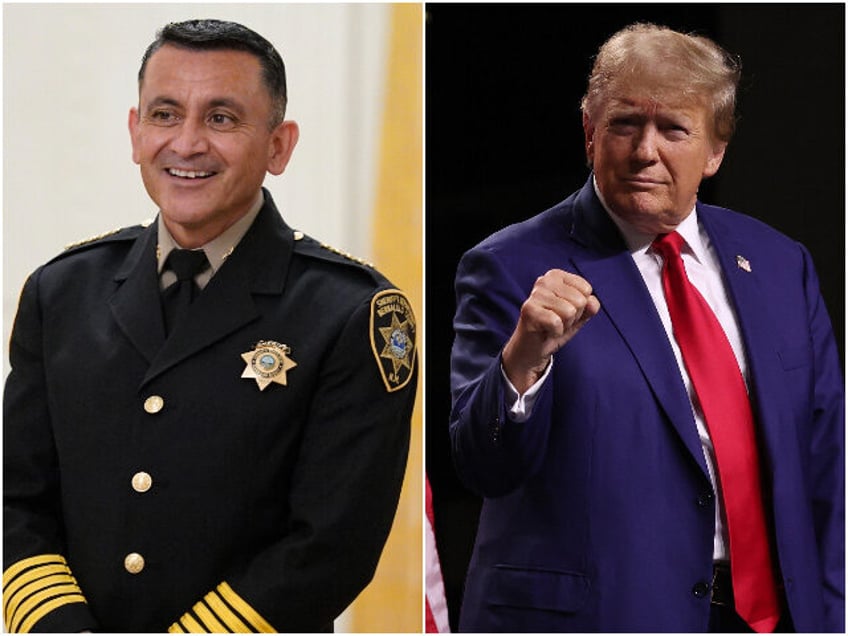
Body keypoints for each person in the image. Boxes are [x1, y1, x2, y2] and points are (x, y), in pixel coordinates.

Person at [3, 19, 417, 633]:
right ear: (135, 131)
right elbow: (17, 503)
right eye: (165, 114)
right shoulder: (61, 292)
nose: (187, 143)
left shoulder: (350, 313)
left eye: (221, 119)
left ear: (279, 146)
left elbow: (330, 546)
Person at [449, 23, 843, 633]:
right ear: (589, 133)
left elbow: (826, 470)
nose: (644, 151)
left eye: (674, 129)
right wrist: (523, 360)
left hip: (769, 618)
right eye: (625, 124)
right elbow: (482, 466)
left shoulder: (779, 263)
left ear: (715, 151)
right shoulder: (508, 267)